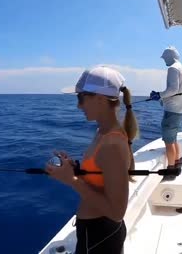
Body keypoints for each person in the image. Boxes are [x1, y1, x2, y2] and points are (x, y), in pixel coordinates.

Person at [47, 66, 139, 254]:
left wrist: (72, 181)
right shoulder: (102, 132)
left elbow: (116, 212)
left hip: (100, 237)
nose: (78, 106)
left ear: (99, 99)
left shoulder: (112, 143)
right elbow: (101, 174)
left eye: (81, 98)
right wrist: (76, 170)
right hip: (93, 232)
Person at [149, 46, 182, 179]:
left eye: (165, 58)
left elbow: (173, 89)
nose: (164, 60)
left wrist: (159, 95)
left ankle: (171, 170)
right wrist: (162, 97)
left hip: (172, 109)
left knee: (168, 141)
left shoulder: (172, 68)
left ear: (170, 56)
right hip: (180, 107)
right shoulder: (181, 67)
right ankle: (177, 164)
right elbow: (177, 90)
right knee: (174, 137)